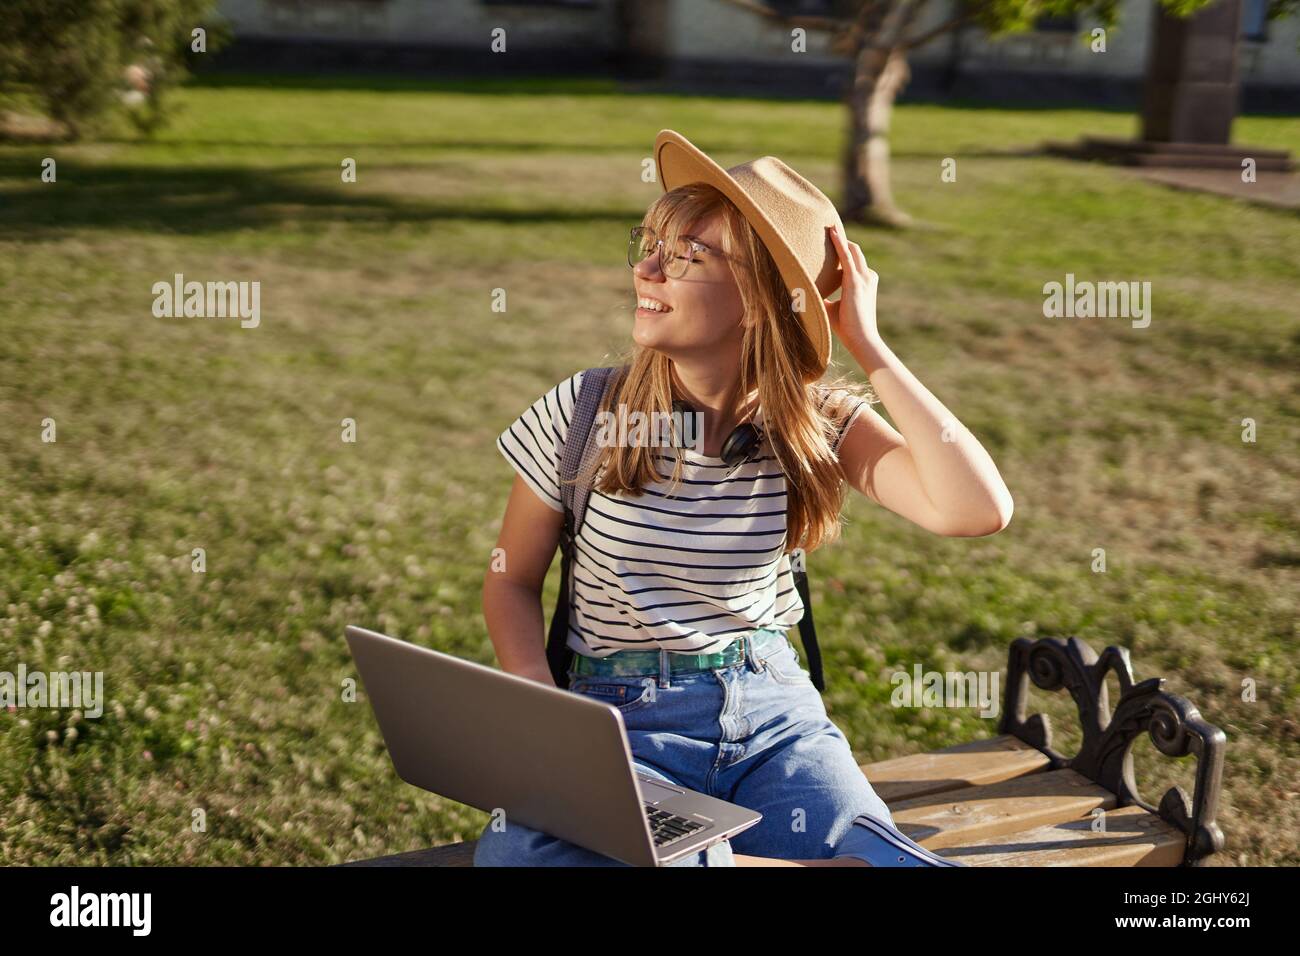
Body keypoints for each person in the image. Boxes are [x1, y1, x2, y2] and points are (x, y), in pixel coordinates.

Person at [475, 130, 1013, 866]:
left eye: (688, 256)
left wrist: (869, 345)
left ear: (760, 302)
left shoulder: (816, 424)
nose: (649, 269)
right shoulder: (586, 410)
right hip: (616, 721)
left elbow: (976, 511)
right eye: (649, 244)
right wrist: (543, 703)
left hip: (772, 721)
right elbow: (509, 577)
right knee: (520, 859)